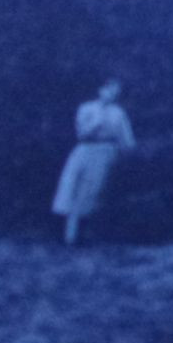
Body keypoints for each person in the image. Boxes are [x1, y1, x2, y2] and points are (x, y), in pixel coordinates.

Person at [50, 78, 135, 246]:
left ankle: (84, 237)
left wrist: (123, 151)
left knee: (92, 194)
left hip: (105, 154)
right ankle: (65, 237)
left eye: (115, 91)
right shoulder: (86, 108)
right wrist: (98, 121)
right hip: (84, 150)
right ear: (100, 89)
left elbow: (127, 140)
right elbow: (82, 133)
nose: (112, 94)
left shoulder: (118, 113)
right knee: (71, 190)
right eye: (108, 89)